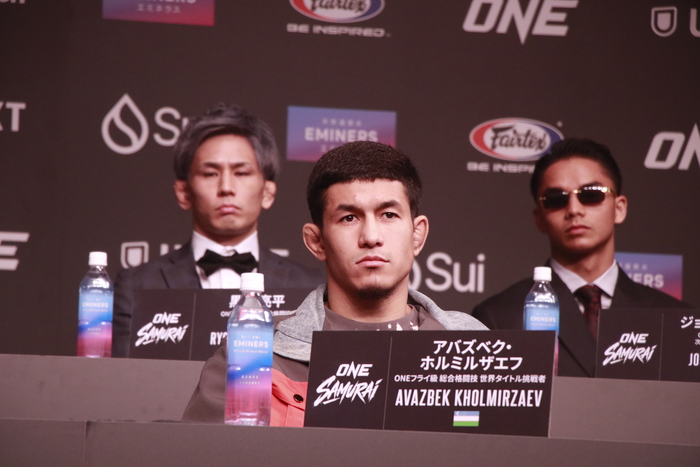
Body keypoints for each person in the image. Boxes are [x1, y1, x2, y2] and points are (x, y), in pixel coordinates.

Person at [182, 141, 488, 426]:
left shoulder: (475, 345)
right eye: (349, 218)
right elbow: (209, 453)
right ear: (317, 242)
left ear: (417, 235)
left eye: (388, 214)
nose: (371, 237)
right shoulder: (255, 349)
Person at [112, 104, 324, 357]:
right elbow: (122, 376)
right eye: (211, 173)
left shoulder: (310, 288)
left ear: (268, 192)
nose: (226, 187)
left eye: (241, 172)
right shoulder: (137, 285)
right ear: (183, 192)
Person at [471, 138, 690, 377]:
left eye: (591, 195)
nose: (574, 209)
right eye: (556, 199)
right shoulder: (498, 318)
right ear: (539, 218)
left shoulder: (675, 319)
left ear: (619, 208)